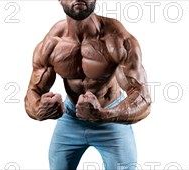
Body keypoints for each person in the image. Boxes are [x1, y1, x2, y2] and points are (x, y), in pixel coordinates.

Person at [23, 0, 152, 169]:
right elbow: (33, 92)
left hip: (111, 119)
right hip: (70, 119)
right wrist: (40, 109)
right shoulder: (52, 43)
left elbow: (143, 99)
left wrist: (103, 115)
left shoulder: (116, 39)